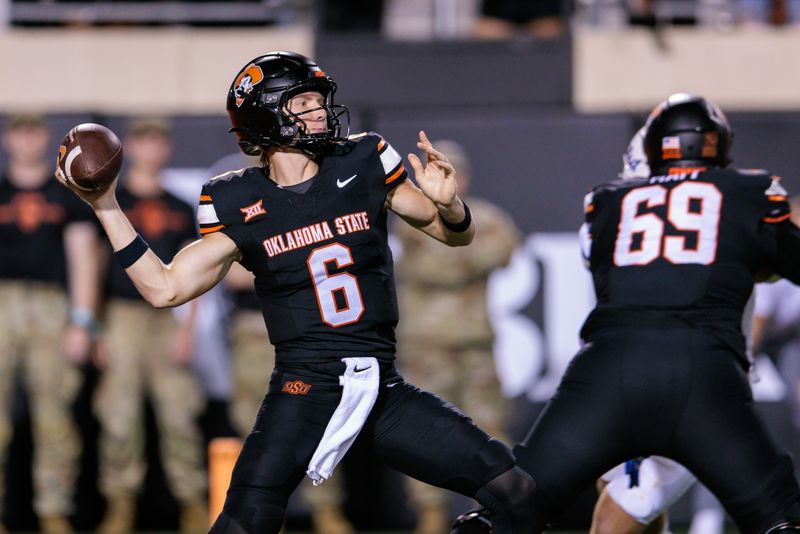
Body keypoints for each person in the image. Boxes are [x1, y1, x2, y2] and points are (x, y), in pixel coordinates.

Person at [55, 51, 537, 534]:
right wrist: (106, 206)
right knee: (242, 524)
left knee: (516, 495)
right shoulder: (235, 198)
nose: (319, 112)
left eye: (318, 101)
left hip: (382, 385)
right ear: (264, 116)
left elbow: (453, 234)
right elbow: (164, 289)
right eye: (302, 103)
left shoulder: (363, 159)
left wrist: (450, 206)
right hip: (303, 387)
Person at [455, 93, 800, 533]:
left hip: (608, 371)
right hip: (704, 376)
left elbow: (613, 258)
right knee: (778, 518)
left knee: (514, 508)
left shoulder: (608, 202)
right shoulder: (746, 192)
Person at [394, 139, 520, 534]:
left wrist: (454, 252)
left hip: (474, 345)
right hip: (425, 345)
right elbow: (429, 267)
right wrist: (463, 251)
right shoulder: (410, 218)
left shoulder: (490, 218)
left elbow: (498, 253)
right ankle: (429, 512)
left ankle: (496, 507)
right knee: (421, 434)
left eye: (457, 172)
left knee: (490, 428)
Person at [92, 119, 207, 534]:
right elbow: (96, 267)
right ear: (131, 149)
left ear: (167, 148)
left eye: (158, 139)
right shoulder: (110, 201)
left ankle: (193, 502)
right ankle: (120, 506)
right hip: (120, 317)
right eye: (142, 139)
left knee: (179, 415)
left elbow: (193, 271)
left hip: (163, 319)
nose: (151, 148)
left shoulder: (178, 205)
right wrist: (95, 327)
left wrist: (188, 330)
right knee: (119, 417)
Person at [0, 114, 99, 534]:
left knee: (55, 414)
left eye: (34, 131)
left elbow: (84, 258)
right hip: (2, 303)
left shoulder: (66, 194)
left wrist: (82, 321)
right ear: (8, 139)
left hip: (52, 307)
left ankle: (54, 510)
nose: (26, 139)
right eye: (19, 131)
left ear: (43, 138)